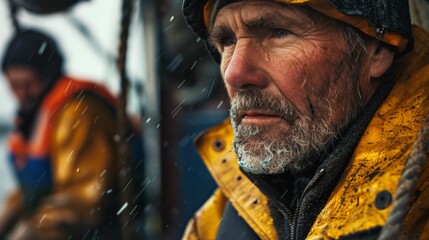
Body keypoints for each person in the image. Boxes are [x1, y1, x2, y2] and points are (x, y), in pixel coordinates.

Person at [181, 0, 429, 239]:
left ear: (376, 51)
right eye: (227, 40)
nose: (235, 73)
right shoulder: (216, 223)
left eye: (279, 33)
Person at [0, 29, 144, 239]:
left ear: (47, 75)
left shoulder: (77, 113)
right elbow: (33, 192)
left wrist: (29, 232)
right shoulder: (36, 118)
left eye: (28, 84)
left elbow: (82, 200)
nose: (21, 94)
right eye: (14, 86)